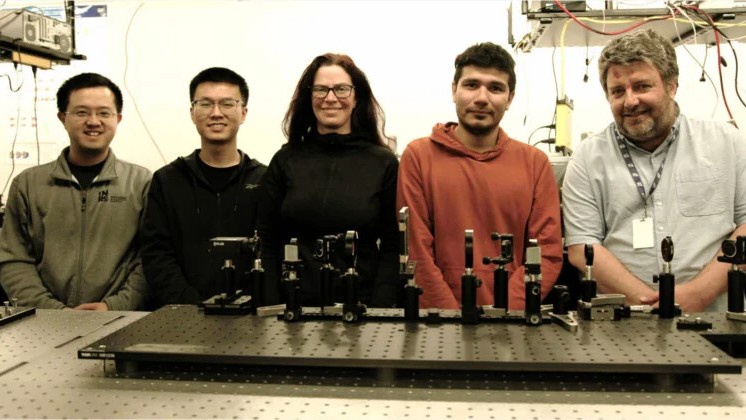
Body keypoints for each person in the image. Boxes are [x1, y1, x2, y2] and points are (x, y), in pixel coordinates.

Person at [562, 29, 746, 312]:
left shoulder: (727, 144)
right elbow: (582, 248)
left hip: (716, 318)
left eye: (642, 86)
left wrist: (697, 295)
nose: (630, 101)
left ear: (672, 86)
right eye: (618, 91)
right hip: (622, 324)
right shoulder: (588, 158)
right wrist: (648, 303)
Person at [397, 42, 563, 310]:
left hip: (510, 322)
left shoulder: (535, 164)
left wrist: (504, 315)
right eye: (471, 85)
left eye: (495, 88)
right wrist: (449, 318)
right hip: (438, 322)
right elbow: (416, 251)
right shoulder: (418, 157)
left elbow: (547, 253)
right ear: (454, 90)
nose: (482, 98)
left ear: (510, 98)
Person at [258, 53, 399, 307]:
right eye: (321, 89)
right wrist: (270, 305)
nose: (330, 98)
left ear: (356, 98)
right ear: (309, 97)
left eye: (341, 89)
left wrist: (380, 310)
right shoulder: (285, 160)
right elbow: (266, 240)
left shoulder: (384, 163)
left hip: (362, 309)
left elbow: (392, 247)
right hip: (293, 310)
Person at [0, 72, 150, 310]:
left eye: (104, 113)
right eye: (82, 112)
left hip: (119, 318)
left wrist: (114, 306)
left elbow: (150, 258)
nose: (93, 121)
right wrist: (54, 312)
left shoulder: (141, 183)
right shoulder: (28, 184)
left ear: (118, 119)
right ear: (63, 117)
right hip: (43, 322)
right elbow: (13, 259)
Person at [141, 67, 267, 308]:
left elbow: (272, 252)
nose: (216, 113)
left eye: (227, 104)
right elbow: (156, 254)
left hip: (250, 315)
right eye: (206, 104)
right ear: (192, 112)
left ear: (243, 113)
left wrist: (247, 303)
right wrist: (191, 306)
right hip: (182, 315)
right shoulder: (168, 180)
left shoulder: (265, 180)